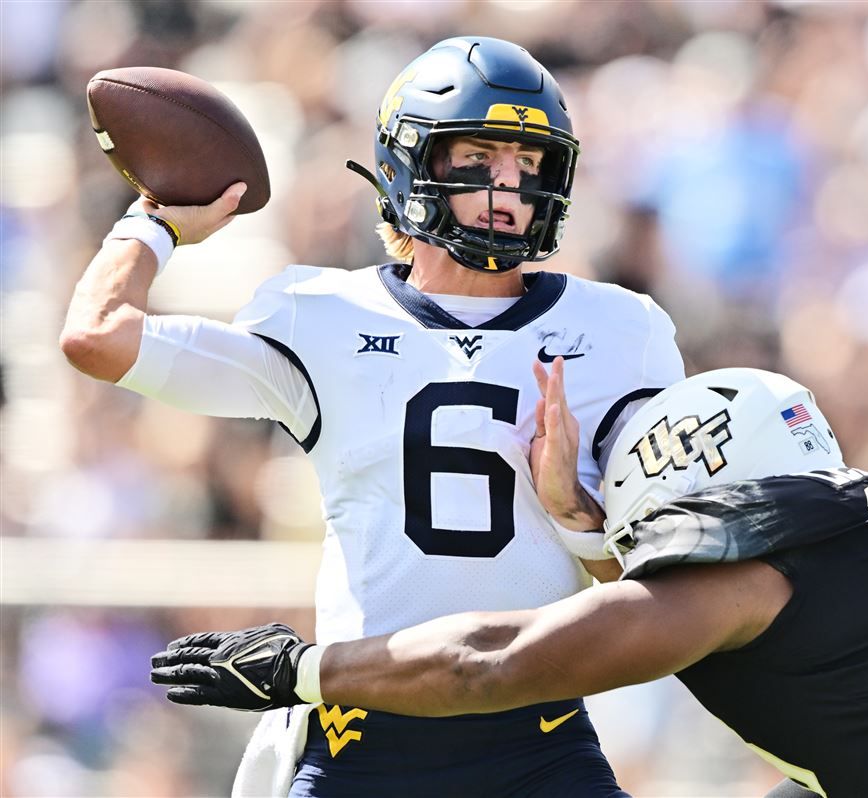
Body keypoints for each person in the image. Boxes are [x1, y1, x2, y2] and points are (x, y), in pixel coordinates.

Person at [63, 36, 685, 797]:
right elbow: (98, 336)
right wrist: (155, 221)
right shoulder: (318, 315)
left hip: (539, 739)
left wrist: (575, 515)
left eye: (528, 165)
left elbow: (664, 596)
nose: (509, 187)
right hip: (362, 736)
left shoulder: (625, 332)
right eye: (479, 158)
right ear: (410, 164)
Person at [153, 368, 868, 798]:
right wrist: (584, 529)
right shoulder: (856, 530)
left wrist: (309, 669)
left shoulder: (761, 567)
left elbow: (503, 660)